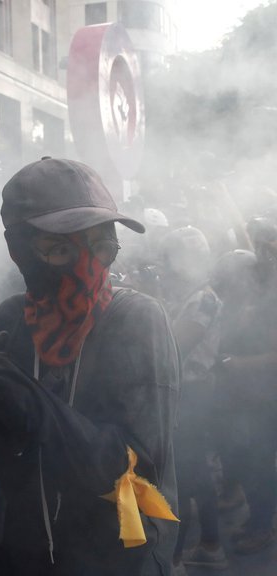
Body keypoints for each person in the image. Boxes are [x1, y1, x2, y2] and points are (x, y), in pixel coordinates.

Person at [0, 158, 180, 575]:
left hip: (120, 555)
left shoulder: (136, 320)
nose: (88, 266)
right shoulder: (13, 318)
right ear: (20, 252)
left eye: (102, 246)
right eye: (61, 249)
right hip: (28, 549)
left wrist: (36, 409)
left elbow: (136, 472)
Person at [158, 226, 227, 570]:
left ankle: (175, 556)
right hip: (190, 392)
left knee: (184, 474)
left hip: (192, 395)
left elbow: (174, 348)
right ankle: (210, 545)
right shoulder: (191, 295)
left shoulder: (203, 299)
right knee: (195, 471)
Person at [213, 216, 277, 555]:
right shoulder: (254, 296)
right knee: (252, 459)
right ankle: (258, 521)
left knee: (260, 463)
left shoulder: (270, 301)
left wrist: (237, 364)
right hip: (251, 395)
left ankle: (262, 528)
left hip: (265, 396)